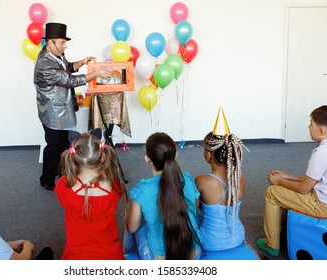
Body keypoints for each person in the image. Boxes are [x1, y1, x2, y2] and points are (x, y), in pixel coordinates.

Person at [34, 22, 112, 190]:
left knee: (63, 145)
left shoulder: (55, 56)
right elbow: (69, 81)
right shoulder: (44, 64)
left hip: (61, 109)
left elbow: (67, 68)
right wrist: (96, 73)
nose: (65, 46)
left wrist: (82, 62)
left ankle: (63, 173)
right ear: (51, 42)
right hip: (52, 111)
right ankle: (47, 179)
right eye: (62, 42)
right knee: (54, 146)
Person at [257, 105, 327, 257]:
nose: (308, 126)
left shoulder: (322, 153)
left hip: (325, 207)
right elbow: (316, 178)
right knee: (286, 189)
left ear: (322, 131)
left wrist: (278, 181)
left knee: (272, 192)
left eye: (311, 123)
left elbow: (305, 188)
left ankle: (271, 244)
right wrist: (286, 176)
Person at [125, 132, 202, 260]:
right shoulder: (187, 180)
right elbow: (195, 207)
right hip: (193, 256)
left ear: (147, 159)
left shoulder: (142, 189)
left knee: (137, 224)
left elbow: (132, 228)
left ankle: (126, 254)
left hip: (156, 259)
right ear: (175, 155)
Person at [54, 132, 128, 260]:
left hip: (75, 254)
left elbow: (63, 199)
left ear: (72, 157)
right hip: (109, 254)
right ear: (103, 157)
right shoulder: (114, 185)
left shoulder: (63, 185)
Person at [195, 131, 246, 251]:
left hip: (210, 241)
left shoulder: (201, 181)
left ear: (208, 154)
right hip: (237, 237)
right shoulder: (240, 179)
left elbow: (192, 210)